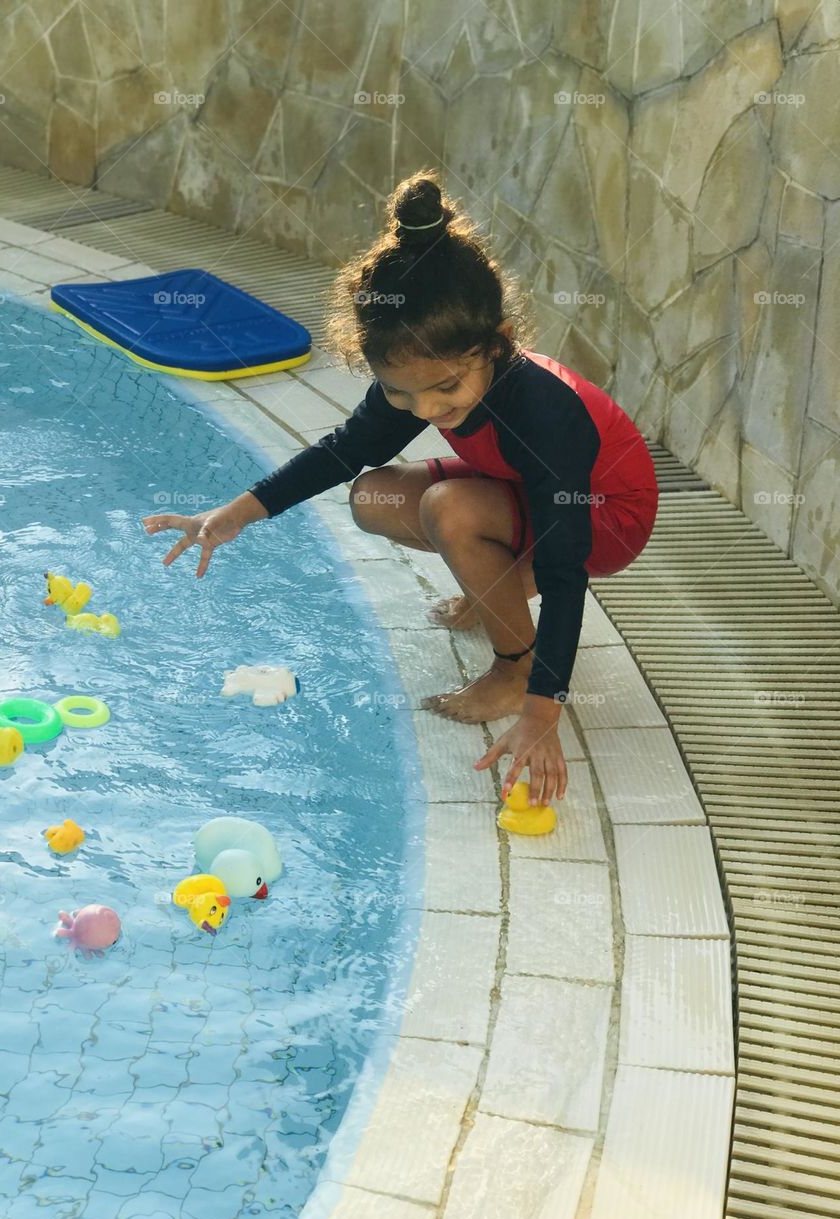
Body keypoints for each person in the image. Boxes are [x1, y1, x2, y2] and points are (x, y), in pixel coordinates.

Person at [143, 170, 658, 808]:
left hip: (605, 518)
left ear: (496, 347)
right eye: (400, 393)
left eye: (445, 389)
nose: (425, 410)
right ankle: (492, 586)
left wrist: (542, 708)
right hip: (522, 491)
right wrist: (235, 514)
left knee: (449, 508)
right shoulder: (419, 374)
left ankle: (510, 666)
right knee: (374, 497)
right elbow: (346, 452)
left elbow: (564, 568)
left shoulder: (544, 414)